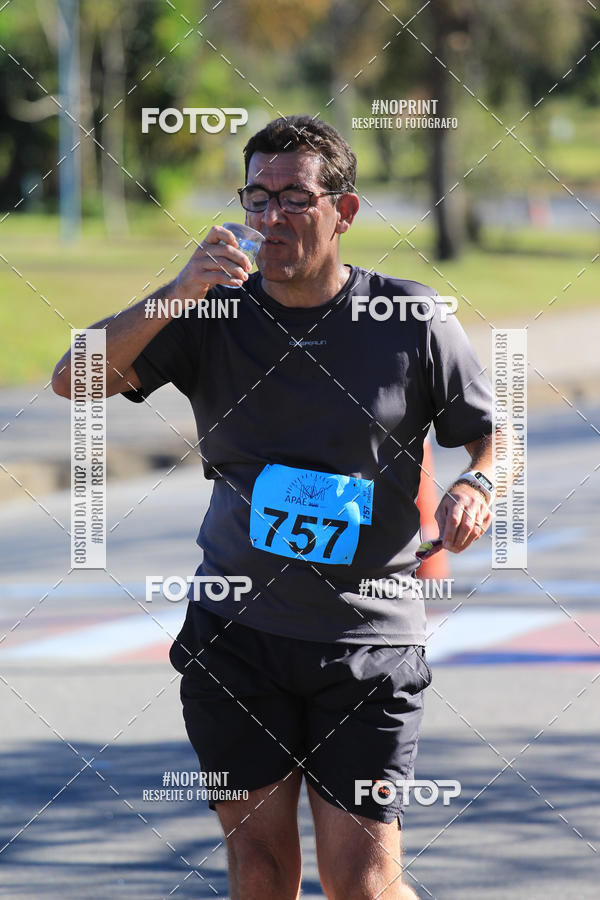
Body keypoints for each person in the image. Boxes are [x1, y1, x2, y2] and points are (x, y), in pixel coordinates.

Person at [52, 115, 497, 900]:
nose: (271, 217)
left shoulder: (410, 320)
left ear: (344, 211)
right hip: (236, 638)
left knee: (361, 883)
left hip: (366, 646)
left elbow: (497, 438)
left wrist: (478, 483)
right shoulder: (212, 316)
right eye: (256, 197)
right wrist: (178, 291)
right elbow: (72, 380)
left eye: (294, 197)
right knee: (257, 875)